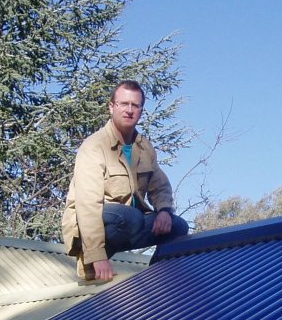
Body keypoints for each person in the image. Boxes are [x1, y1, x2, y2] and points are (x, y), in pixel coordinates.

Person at [62, 80, 189, 282]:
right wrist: (98, 256)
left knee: (178, 226)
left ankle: (157, 276)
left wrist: (164, 211)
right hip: (95, 223)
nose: (129, 110)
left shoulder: (145, 148)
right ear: (111, 107)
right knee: (131, 217)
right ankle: (89, 261)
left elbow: (160, 186)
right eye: (124, 104)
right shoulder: (94, 146)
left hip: (130, 224)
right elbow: (87, 205)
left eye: (135, 105)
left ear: (140, 110)